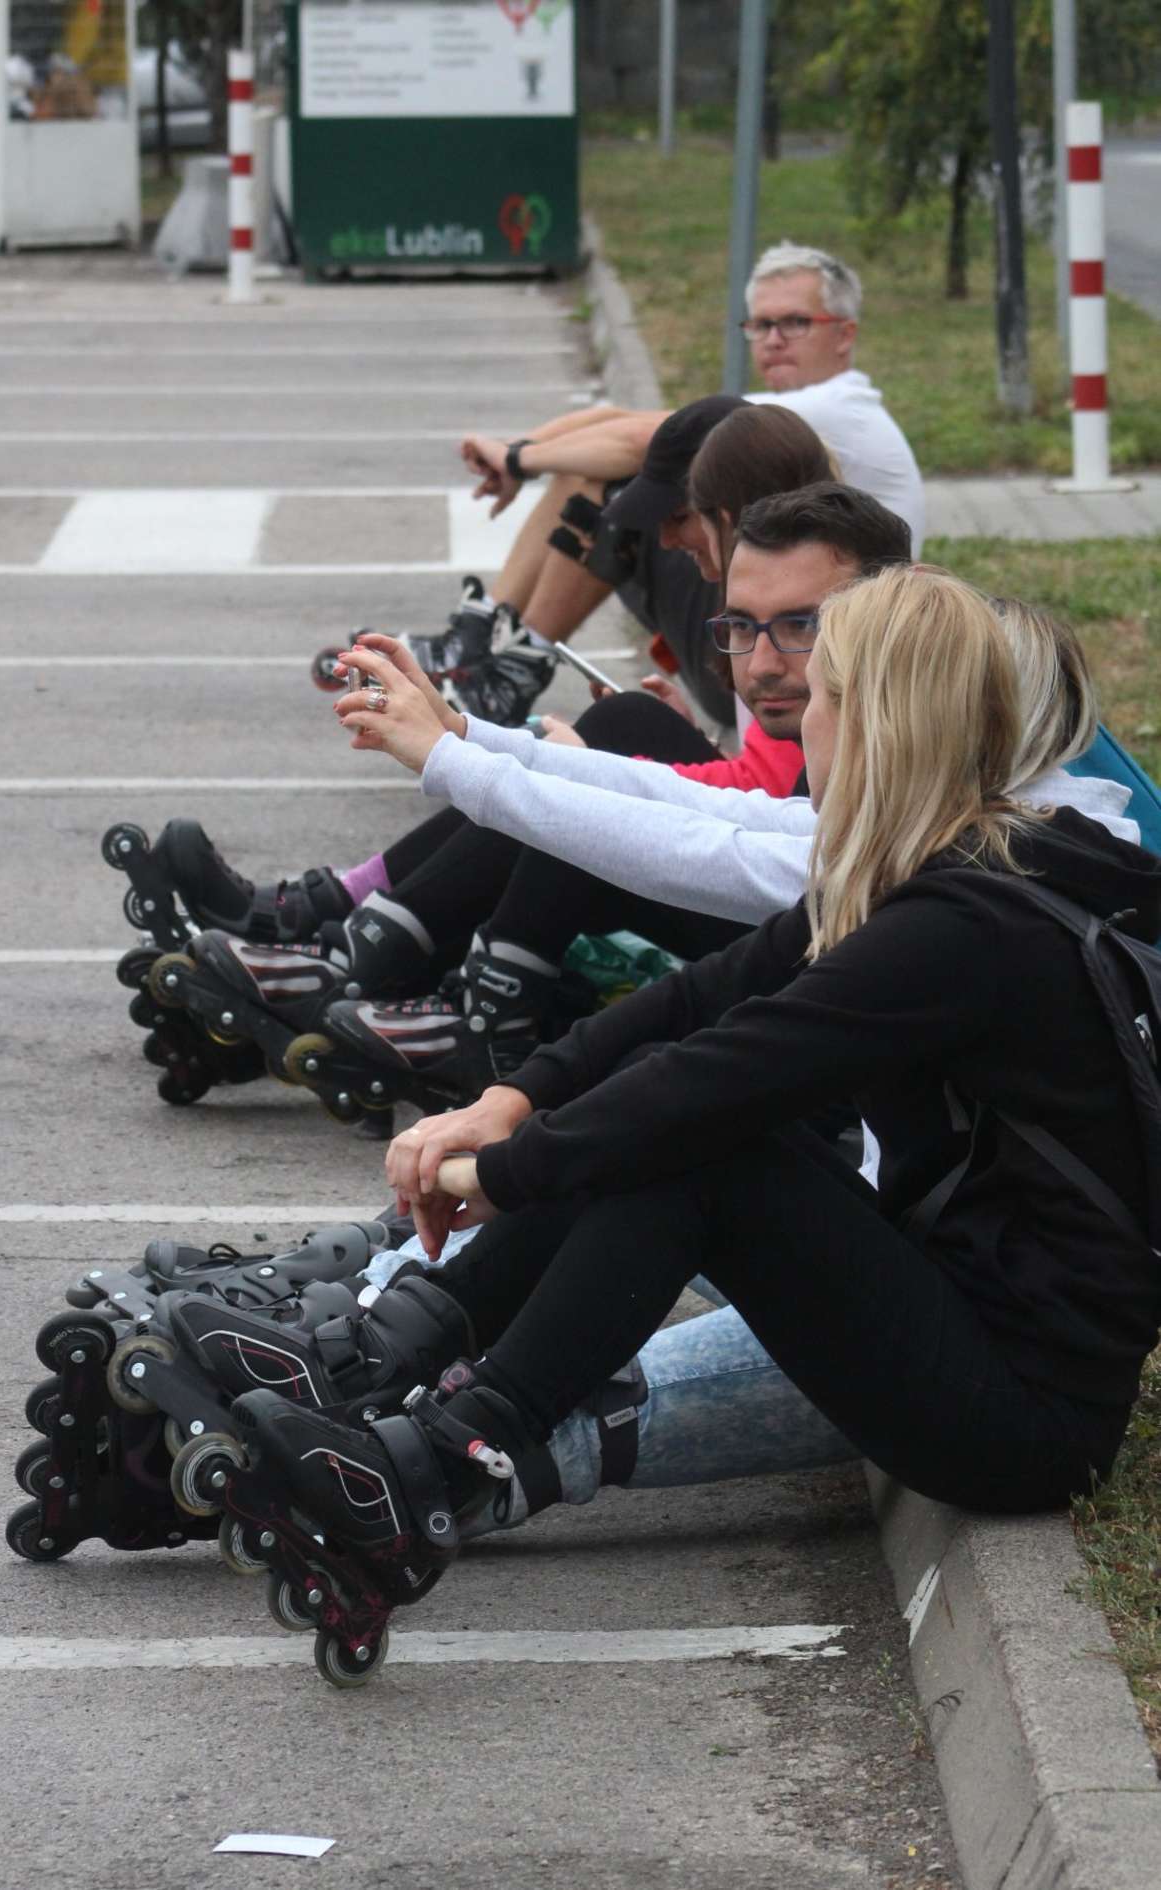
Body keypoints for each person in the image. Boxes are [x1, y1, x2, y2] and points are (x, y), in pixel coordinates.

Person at [220, 564, 1161, 1666]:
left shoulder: (963, 930)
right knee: (691, 1135)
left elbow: (724, 1077)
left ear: (870, 718)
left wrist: (503, 1174)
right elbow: (702, 1001)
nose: (800, 711)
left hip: (1022, 1418)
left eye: (821, 691)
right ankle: (389, 1363)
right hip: (973, 1320)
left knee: (715, 1155)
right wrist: (514, 1098)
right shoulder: (965, 867)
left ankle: (442, 1458)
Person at [124, 419, 844, 1104]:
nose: (665, 536)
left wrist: (471, 758)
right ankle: (368, 943)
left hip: (810, 976)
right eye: (745, 628)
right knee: (610, 760)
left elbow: (734, 848)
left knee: (592, 812)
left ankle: (423, 986)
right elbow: (756, 813)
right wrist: (465, 734)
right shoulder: (825, 649)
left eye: (684, 517)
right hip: (783, 918)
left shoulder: (856, 684)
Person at [406, 242, 923, 723]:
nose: (774, 339)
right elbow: (616, 417)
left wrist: (519, 461)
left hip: (808, 653)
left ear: (846, 334)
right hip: (787, 635)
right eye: (761, 325)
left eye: (795, 322)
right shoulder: (797, 408)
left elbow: (637, 440)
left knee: (603, 490)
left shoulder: (836, 409)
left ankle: (512, 665)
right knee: (591, 471)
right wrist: (519, 453)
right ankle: (485, 641)